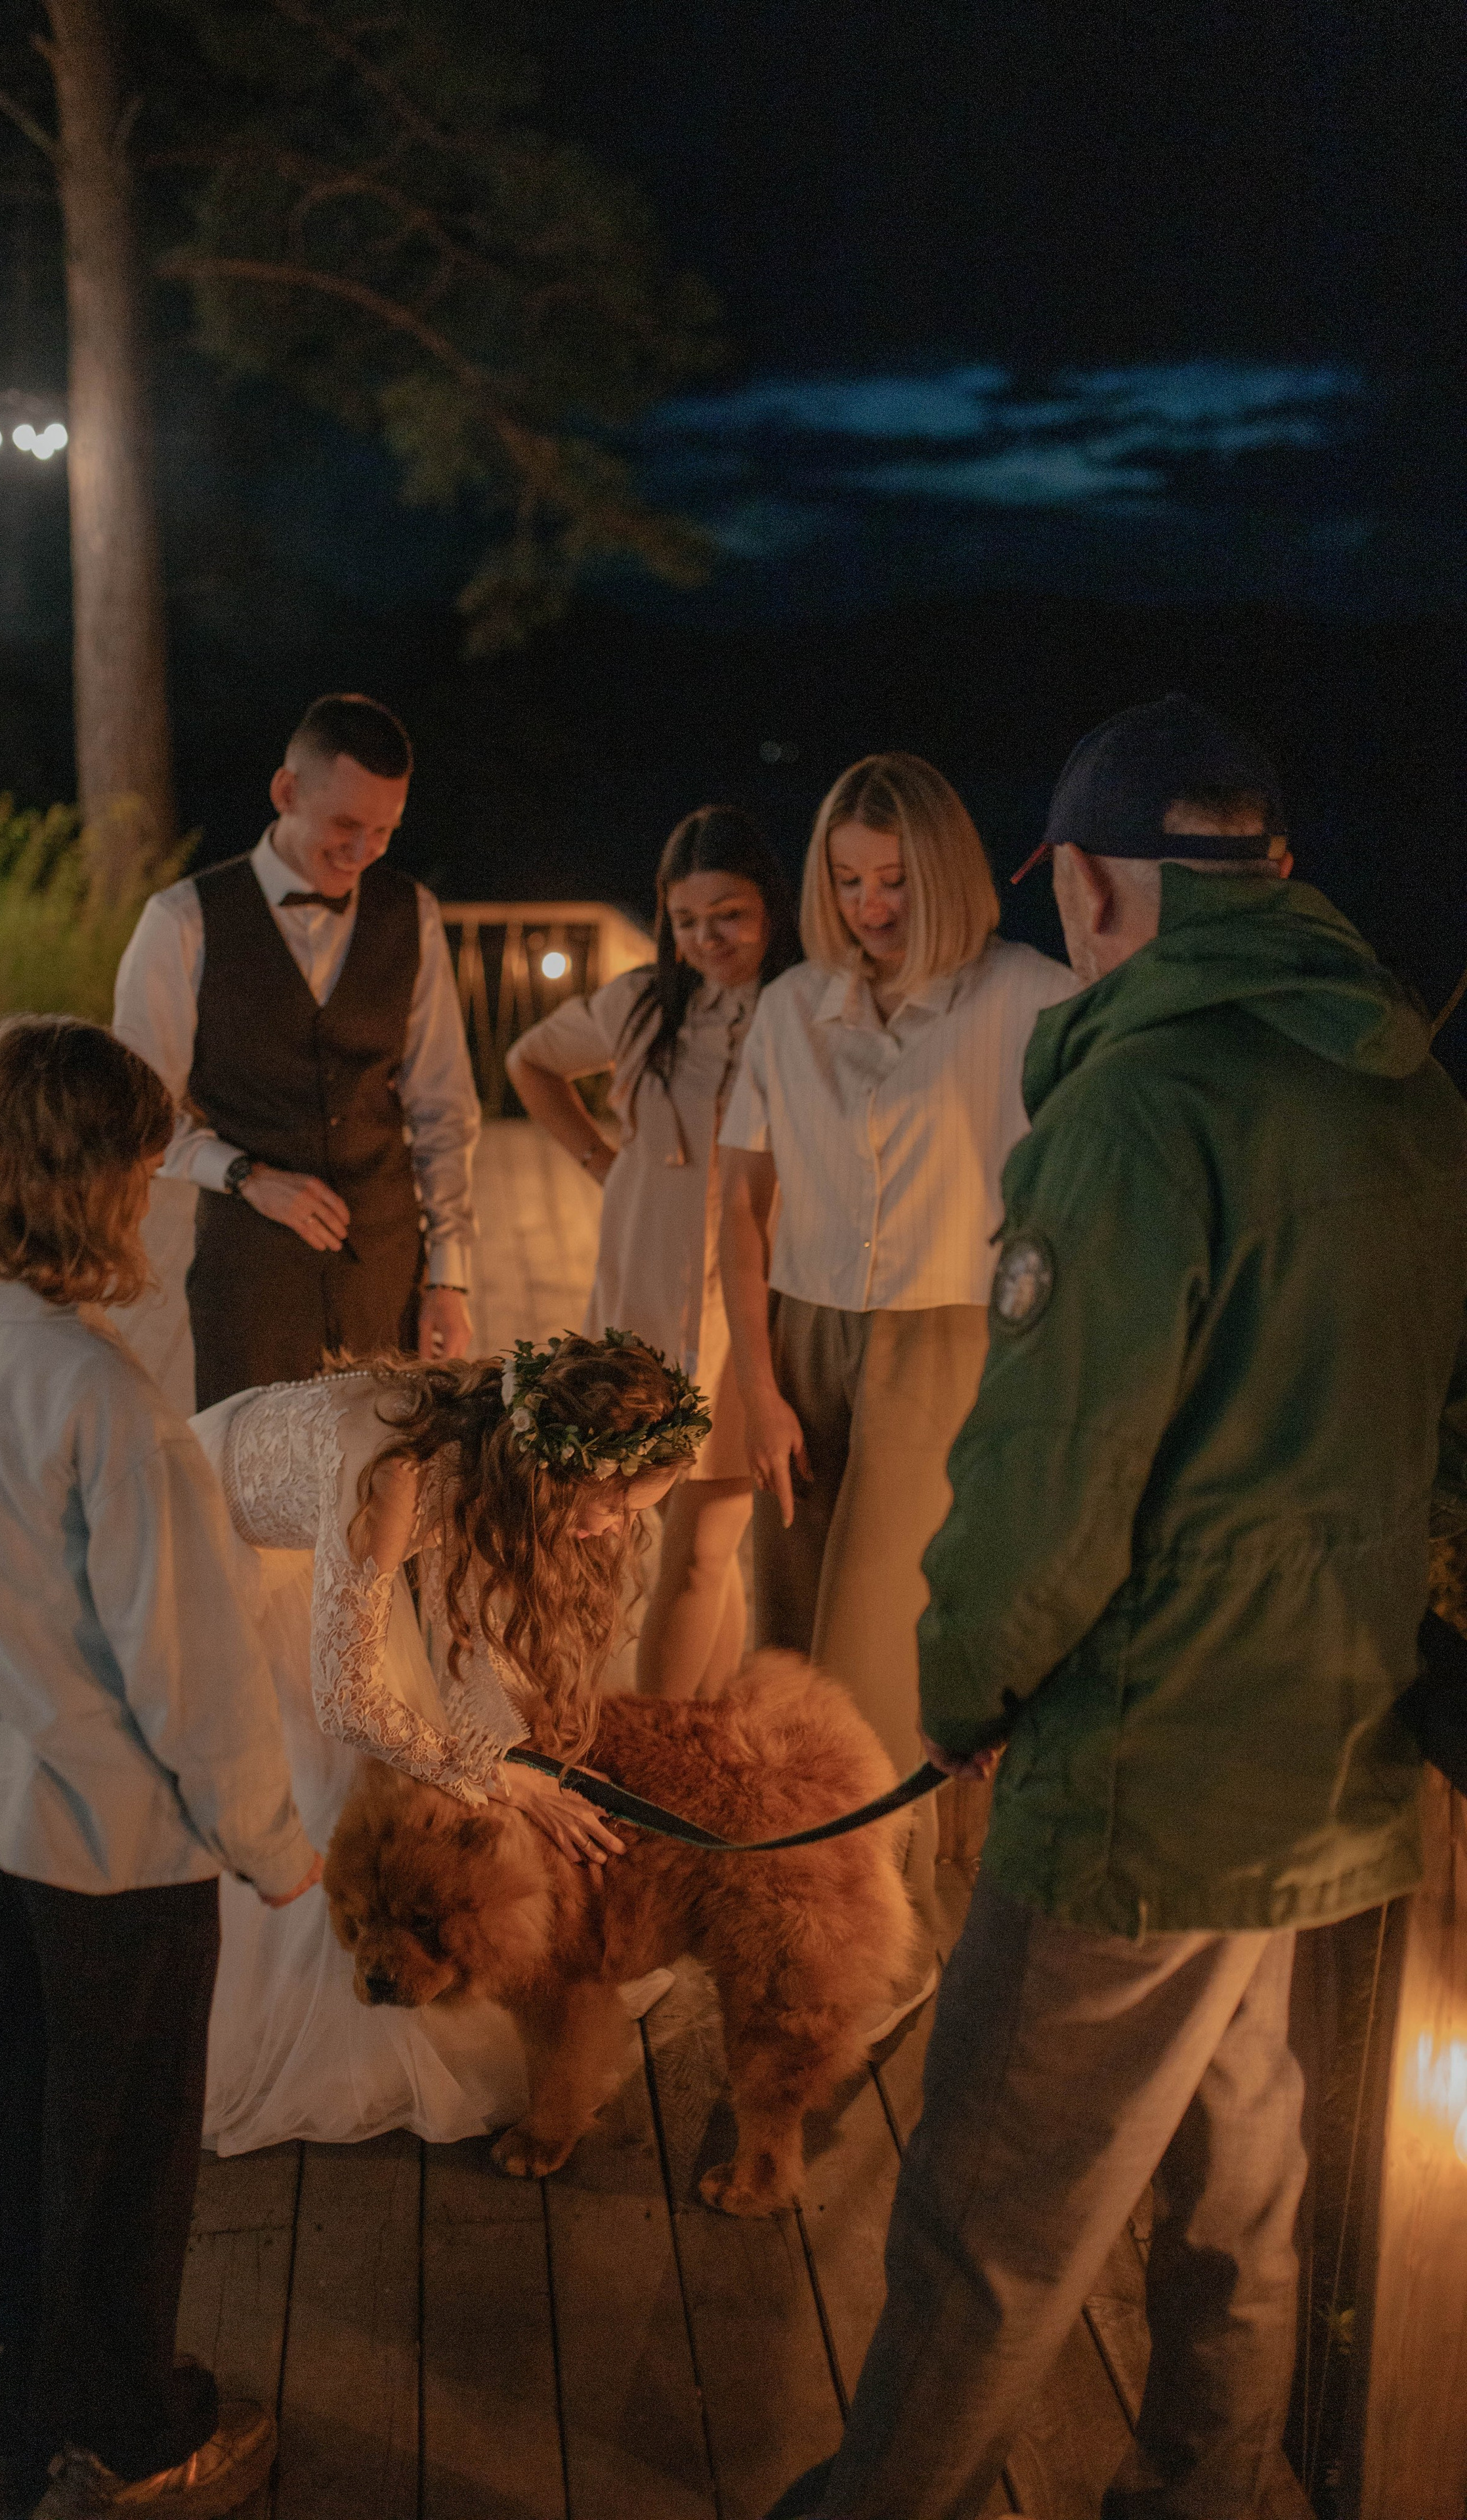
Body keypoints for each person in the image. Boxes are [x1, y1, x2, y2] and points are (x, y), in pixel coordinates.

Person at [765, 694, 1467, 2520]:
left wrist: (963, 1689)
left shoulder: (1135, 1113)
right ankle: (1213, 2491)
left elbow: (1047, 1480)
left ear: (1082, 889)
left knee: (991, 2210)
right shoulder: (1406, 1090)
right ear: (1281, 869)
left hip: (1146, 1774)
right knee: (1241, 2166)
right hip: (1326, 1755)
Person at [0, 1332, 710, 2160]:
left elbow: (467, 1647)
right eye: (611, 1506)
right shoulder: (399, 1477)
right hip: (189, 1559)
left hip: (297, 1542)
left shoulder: (483, 1446)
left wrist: (510, 1766)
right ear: (549, 1468)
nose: (611, 1528)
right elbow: (346, 1700)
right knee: (324, 1781)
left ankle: (370, 2001)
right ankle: (254, 2025)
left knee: (402, 1763)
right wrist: (497, 1784)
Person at [0, 1016, 322, 2520]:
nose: (148, 1199)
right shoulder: (105, 1399)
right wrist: (268, 1836)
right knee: (124, 2160)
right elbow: (185, 1669)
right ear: (91, 1183)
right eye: (139, 1172)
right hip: (115, 1847)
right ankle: (131, 2431)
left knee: (14, 2129)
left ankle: (22, 2396)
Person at [717, 755, 1075, 1945]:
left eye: (897, 882)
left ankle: (892, 1938)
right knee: (783, 1658)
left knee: (873, 1665)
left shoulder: (1028, 997)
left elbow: (1093, 1183)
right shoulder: (790, 1008)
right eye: (851, 881)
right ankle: (798, 1923)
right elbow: (740, 1207)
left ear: (947, 874)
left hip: (946, 1340)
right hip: (801, 1336)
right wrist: (758, 1387)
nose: (874, 907)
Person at [112, 692, 480, 1407]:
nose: (362, 852)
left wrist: (449, 1277)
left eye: (383, 832)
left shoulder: (415, 915)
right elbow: (138, 1115)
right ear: (286, 791)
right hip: (250, 1272)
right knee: (250, 1494)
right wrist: (244, 1174)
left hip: (386, 1264)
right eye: (345, 824)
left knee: (382, 1494)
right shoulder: (180, 923)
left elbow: (444, 1110)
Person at [506, 806, 801, 1694]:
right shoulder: (640, 1005)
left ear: (770, 910)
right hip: (639, 1289)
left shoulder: (798, 1012)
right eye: (687, 920)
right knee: (675, 1535)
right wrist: (601, 1160)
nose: (707, 938)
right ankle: (700, 1737)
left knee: (707, 1537)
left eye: (730, 916)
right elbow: (531, 1062)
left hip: (743, 1297)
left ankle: (658, 1748)